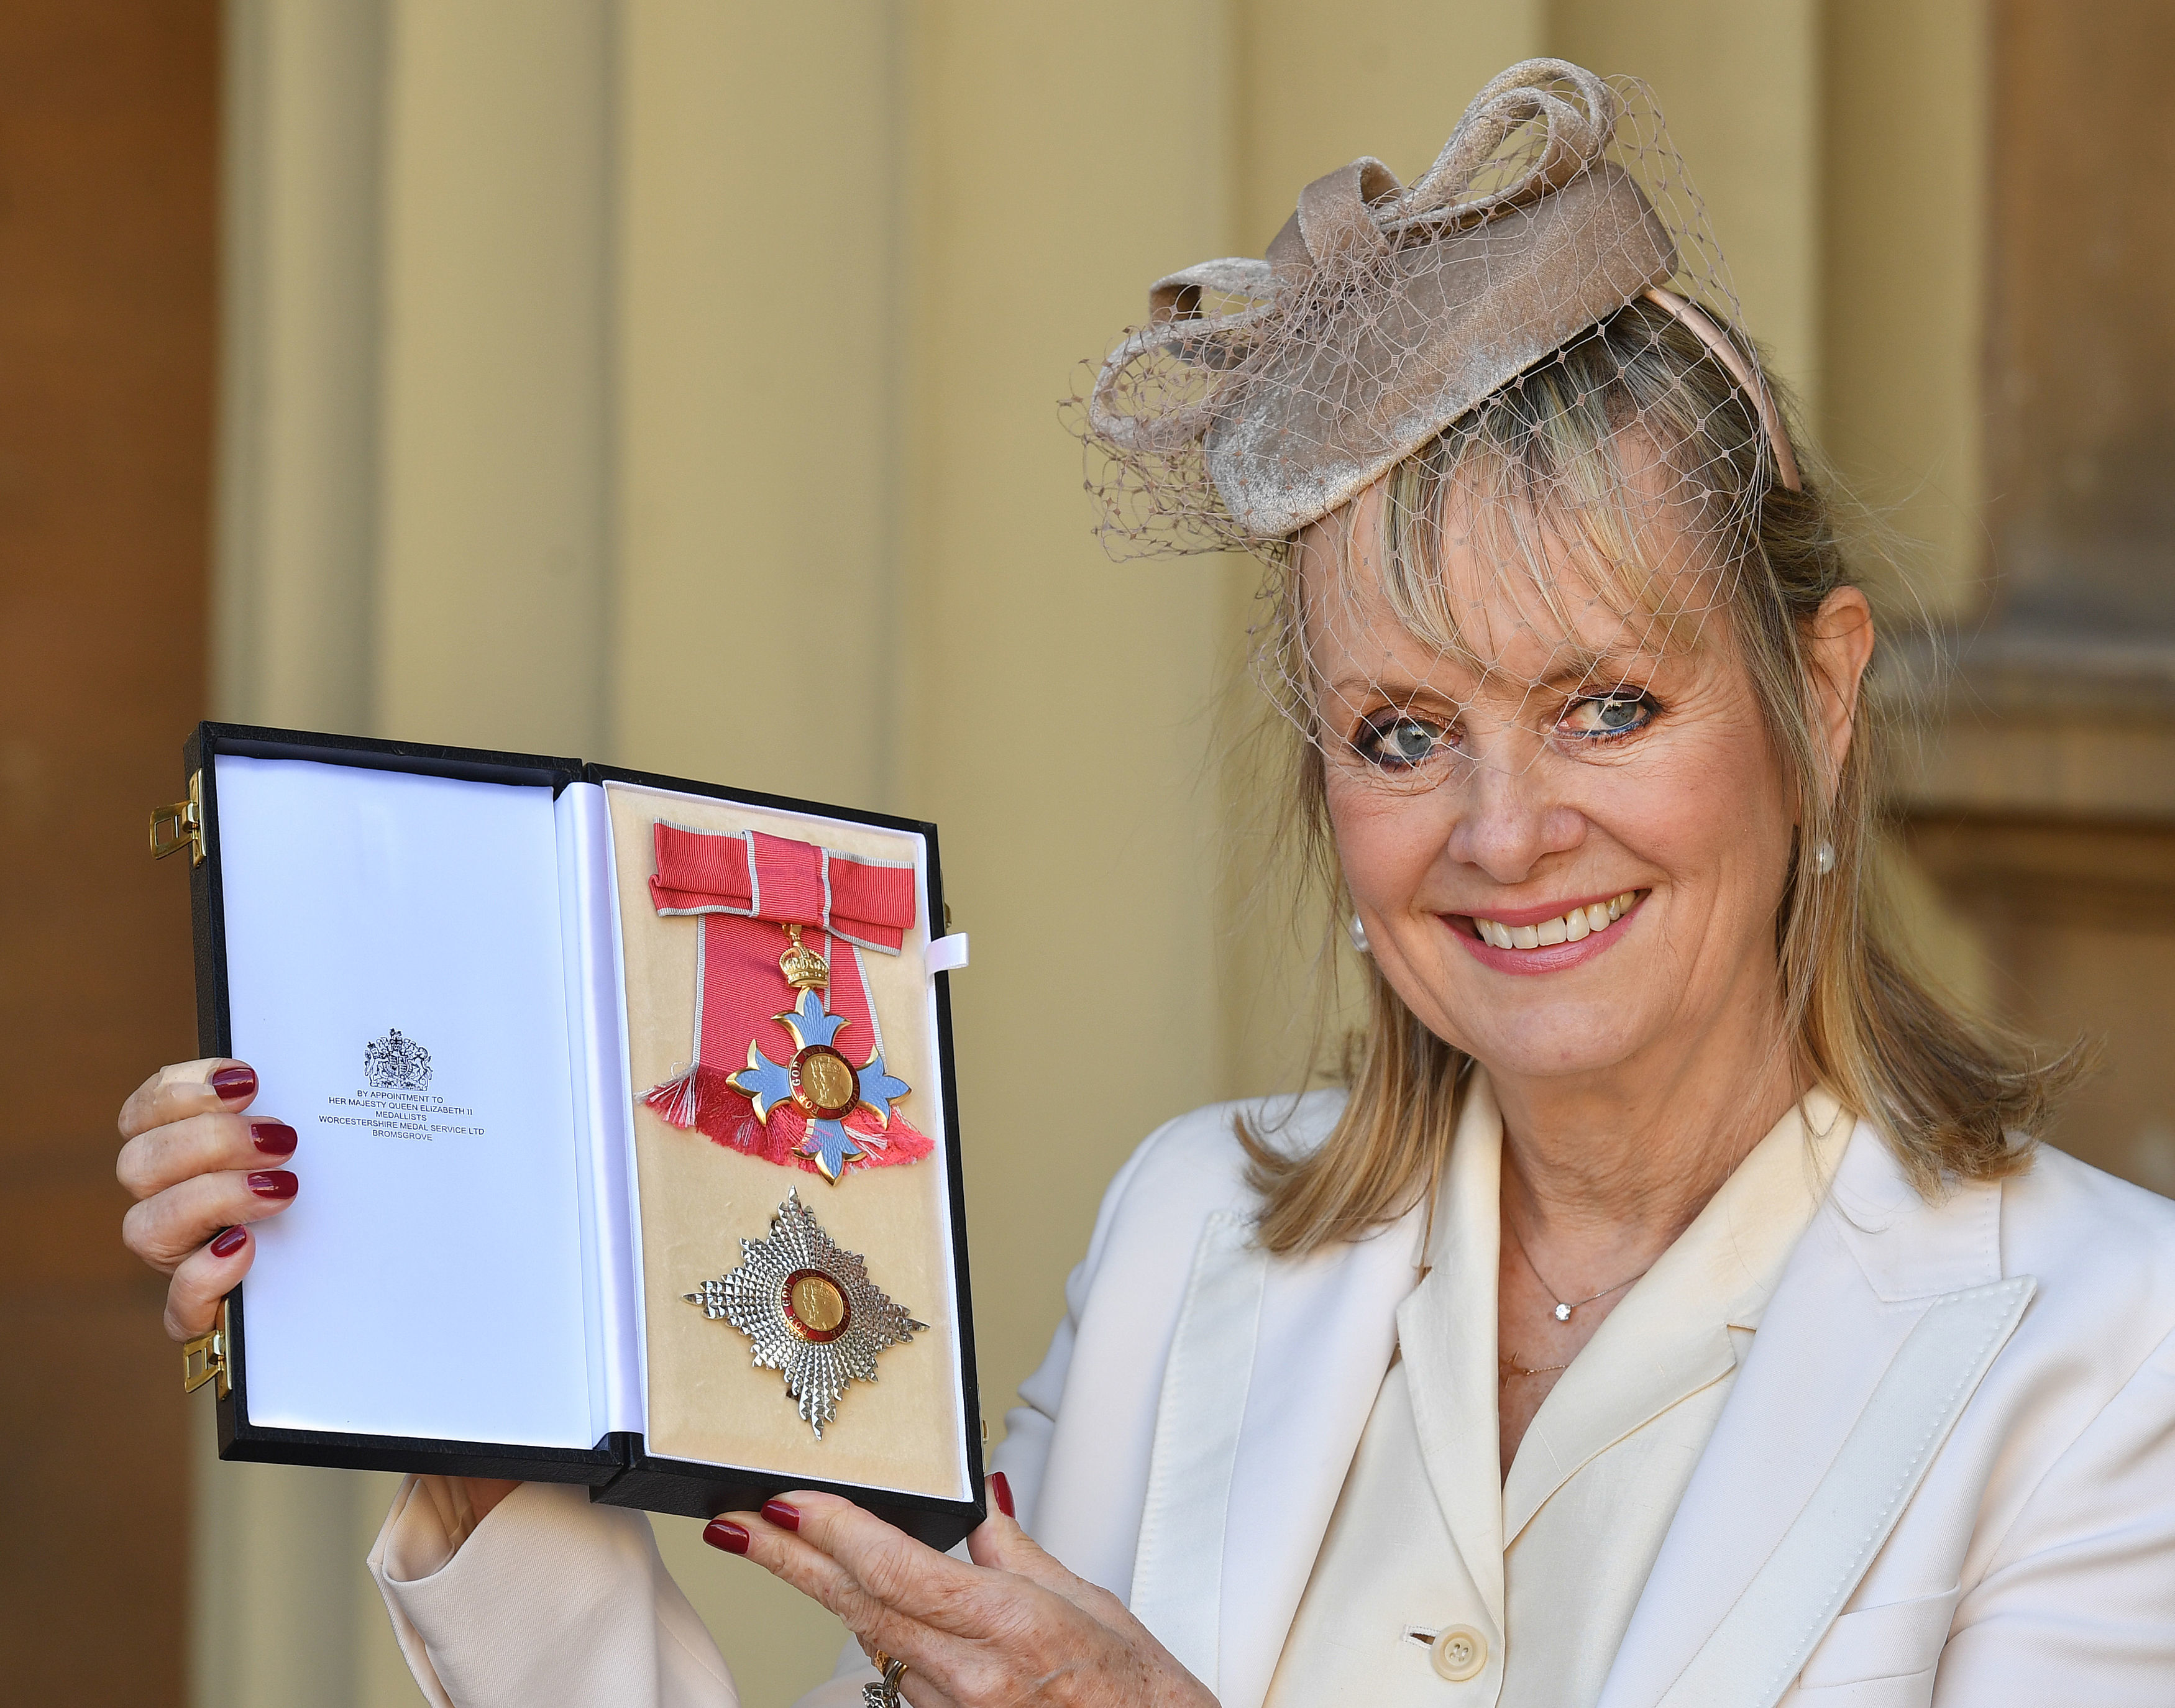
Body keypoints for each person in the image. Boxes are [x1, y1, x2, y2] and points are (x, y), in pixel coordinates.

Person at [117, 59, 2175, 1708]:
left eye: (1607, 703)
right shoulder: (1194, 1239)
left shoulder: (2111, 1359)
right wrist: (473, 1423)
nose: (1503, 827)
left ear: (1817, 703)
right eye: (1399, 731)